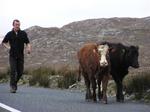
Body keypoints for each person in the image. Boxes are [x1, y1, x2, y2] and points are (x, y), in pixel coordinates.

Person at [1, 19, 31, 93]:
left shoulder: (23, 33)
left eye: (18, 24)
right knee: (13, 70)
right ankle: (13, 87)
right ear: (13, 25)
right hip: (12, 56)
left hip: (20, 55)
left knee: (20, 72)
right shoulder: (9, 34)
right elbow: (4, 42)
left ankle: (14, 83)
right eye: (16, 24)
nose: (18, 26)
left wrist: (29, 48)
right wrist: (9, 47)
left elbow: (27, 42)